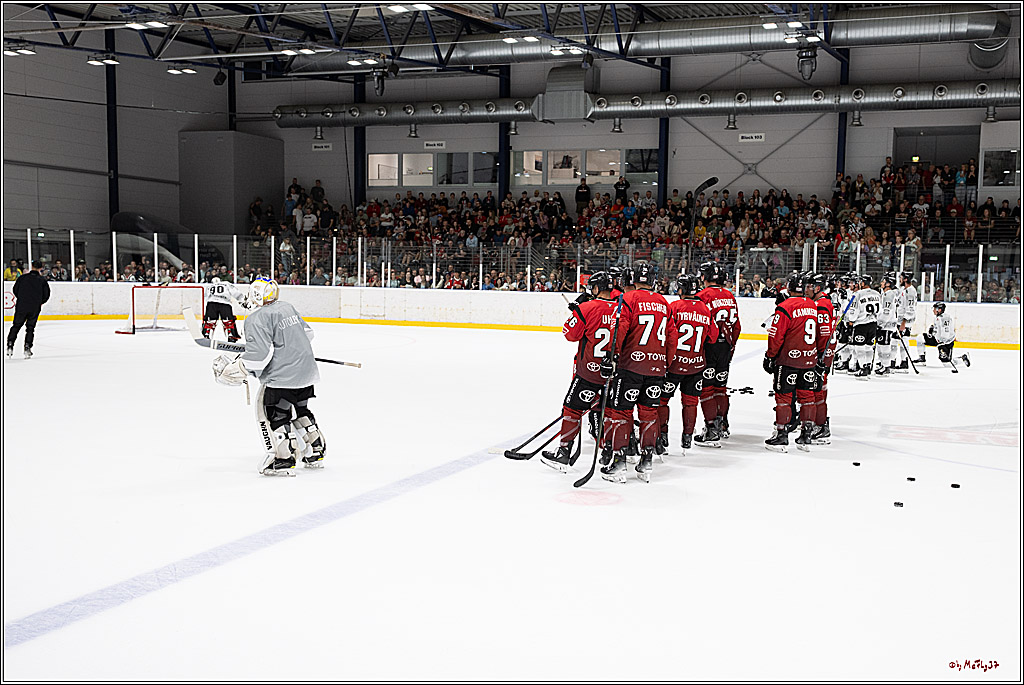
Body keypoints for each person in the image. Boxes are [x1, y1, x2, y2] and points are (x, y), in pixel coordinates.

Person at [212, 278, 326, 476]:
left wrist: (237, 368)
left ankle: (283, 459)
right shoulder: (286, 307)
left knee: (276, 414)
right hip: (306, 371)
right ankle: (315, 451)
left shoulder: (256, 319)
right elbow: (308, 334)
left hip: (282, 377)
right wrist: (289, 349)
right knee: (300, 409)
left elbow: (259, 358)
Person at [540, 272, 627, 472]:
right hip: (614, 372)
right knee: (609, 411)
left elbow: (570, 334)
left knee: (572, 408)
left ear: (596, 288)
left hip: (589, 371)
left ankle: (563, 453)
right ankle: (610, 451)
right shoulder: (622, 310)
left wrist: (577, 313)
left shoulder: (587, 308)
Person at [600, 260, 668, 484]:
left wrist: (611, 355)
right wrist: (664, 362)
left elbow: (619, 328)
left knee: (621, 413)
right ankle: (646, 461)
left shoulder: (628, 299)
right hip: (656, 368)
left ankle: (619, 463)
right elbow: (672, 337)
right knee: (649, 413)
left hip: (630, 366)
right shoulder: (664, 303)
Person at [661, 273, 719, 454]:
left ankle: (662, 436)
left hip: (673, 364)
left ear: (681, 289)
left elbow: (664, 334)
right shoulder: (705, 309)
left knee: (662, 400)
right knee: (690, 402)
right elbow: (713, 336)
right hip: (696, 365)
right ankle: (687, 438)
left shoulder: (674, 307)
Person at [763, 272, 819, 452]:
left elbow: (776, 336)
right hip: (809, 358)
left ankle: (781, 435)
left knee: (784, 397)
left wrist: (770, 356)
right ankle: (806, 436)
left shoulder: (785, 307)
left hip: (788, 360)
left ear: (789, 287)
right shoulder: (812, 305)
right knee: (807, 397)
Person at [693, 261, 740, 447]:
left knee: (706, 388)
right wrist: (731, 347)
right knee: (721, 388)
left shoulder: (702, 296)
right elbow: (737, 326)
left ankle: (711, 429)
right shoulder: (730, 295)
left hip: (708, 347)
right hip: (725, 347)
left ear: (704, 276)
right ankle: (722, 424)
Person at [808, 273, 837, 445]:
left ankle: (821, 426)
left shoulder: (822, 305)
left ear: (817, 288)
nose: (806, 289)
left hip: (821, 355)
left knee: (818, 390)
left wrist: (819, 356)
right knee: (815, 389)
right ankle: (815, 422)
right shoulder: (822, 302)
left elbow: (824, 334)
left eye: (809, 286)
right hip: (823, 353)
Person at [6, 260, 50, 359]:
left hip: (22, 305)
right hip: (34, 306)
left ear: (32, 266)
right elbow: (46, 295)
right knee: (30, 328)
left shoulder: (22, 278)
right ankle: (27, 347)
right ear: (41, 268)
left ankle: (10, 344)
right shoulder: (42, 280)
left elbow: (15, 290)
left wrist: (22, 298)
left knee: (16, 325)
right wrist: (39, 302)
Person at [846, 274, 881, 377]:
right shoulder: (877, 294)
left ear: (863, 283)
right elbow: (881, 310)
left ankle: (863, 368)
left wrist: (851, 321)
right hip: (873, 323)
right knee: (869, 347)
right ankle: (868, 367)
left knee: (859, 348)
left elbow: (854, 310)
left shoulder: (857, 294)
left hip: (861, 325)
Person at [915, 302, 969, 369]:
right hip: (938, 340)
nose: (933, 310)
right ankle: (922, 358)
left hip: (946, 343)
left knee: (947, 364)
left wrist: (942, 344)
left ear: (939, 309)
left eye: (935, 308)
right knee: (920, 338)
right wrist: (932, 331)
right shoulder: (938, 317)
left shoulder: (945, 318)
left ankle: (962, 359)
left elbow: (946, 332)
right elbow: (938, 330)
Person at [204, 277, 248, 342]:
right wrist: (243, 301)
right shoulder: (226, 284)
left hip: (211, 303)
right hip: (225, 303)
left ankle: (207, 334)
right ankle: (231, 335)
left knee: (210, 321)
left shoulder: (210, 286)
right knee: (228, 321)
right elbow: (236, 293)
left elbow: (206, 297)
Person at [874, 273, 900, 376]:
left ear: (888, 284)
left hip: (886, 325)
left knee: (884, 346)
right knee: (881, 346)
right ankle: (883, 364)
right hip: (885, 324)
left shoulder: (889, 295)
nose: (881, 283)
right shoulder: (887, 294)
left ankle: (886, 366)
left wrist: (880, 324)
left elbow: (886, 312)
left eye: (883, 281)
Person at [894, 271, 918, 373]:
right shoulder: (903, 290)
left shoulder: (911, 291)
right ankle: (897, 362)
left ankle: (904, 363)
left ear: (905, 279)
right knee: (897, 340)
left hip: (905, 321)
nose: (899, 280)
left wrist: (904, 322)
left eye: (901, 278)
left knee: (904, 341)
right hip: (900, 320)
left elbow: (910, 308)